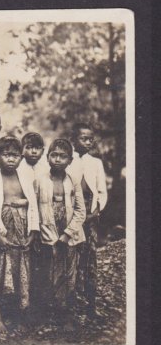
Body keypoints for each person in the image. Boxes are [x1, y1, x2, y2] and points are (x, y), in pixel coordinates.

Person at [0, 136, 40, 333]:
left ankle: (20, 315)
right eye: (6, 155)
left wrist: (32, 232)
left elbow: (33, 206)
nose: (11, 159)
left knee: (20, 273)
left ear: (21, 157)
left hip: (21, 232)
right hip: (2, 232)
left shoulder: (26, 179)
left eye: (15, 155)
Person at [35, 138, 86, 330]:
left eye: (62, 156)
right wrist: (43, 234)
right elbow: (35, 209)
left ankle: (66, 315)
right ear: (47, 157)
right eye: (53, 155)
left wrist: (67, 234)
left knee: (69, 274)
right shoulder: (40, 180)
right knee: (48, 273)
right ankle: (46, 314)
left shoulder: (73, 181)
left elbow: (81, 210)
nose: (57, 159)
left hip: (70, 236)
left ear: (70, 160)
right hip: (48, 235)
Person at [68, 122, 108, 317]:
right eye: (84, 138)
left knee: (90, 261)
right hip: (70, 219)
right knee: (71, 261)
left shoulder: (96, 163)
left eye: (91, 138)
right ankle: (70, 307)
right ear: (73, 140)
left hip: (90, 219)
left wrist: (95, 213)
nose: (88, 141)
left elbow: (101, 192)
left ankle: (91, 306)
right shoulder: (68, 160)